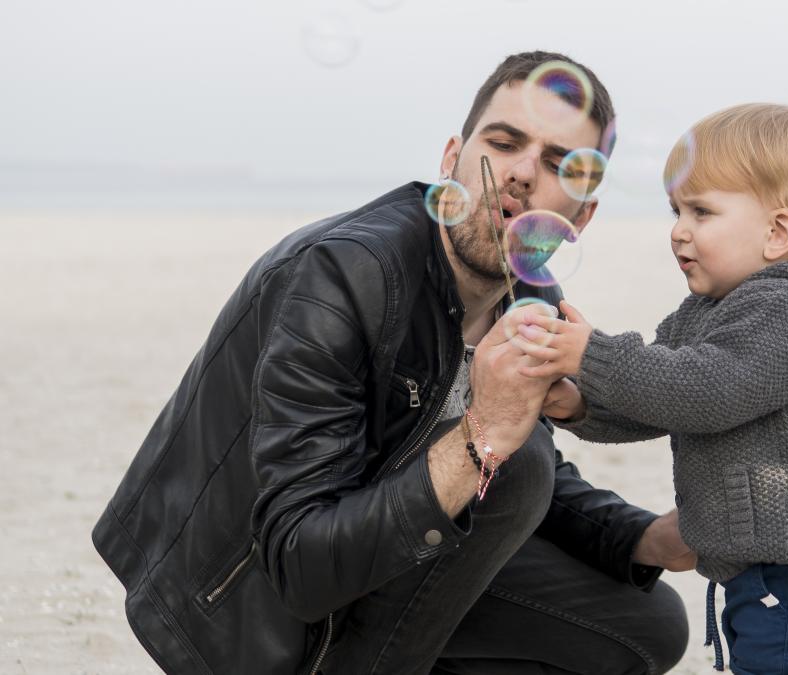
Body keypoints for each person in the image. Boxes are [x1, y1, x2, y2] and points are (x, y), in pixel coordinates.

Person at [92, 51, 690, 675]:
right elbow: (298, 563)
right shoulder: (345, 276)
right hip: (244, 598)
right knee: (512, 466)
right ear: (450, 160)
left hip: (382, 550)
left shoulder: (530, 294)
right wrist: (481, 438)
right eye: (504, 142)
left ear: (581, 216)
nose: (519, 174)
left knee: (647, 626)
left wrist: (642, 539)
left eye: (557, 165)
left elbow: (524, 460)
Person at [510, 103, 788, 674]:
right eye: (675, 210)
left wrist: (589, 353)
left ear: (778, 231)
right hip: (762, 569)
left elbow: (706, 390)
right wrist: (581, 404)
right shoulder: (709, 312)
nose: (678, 230)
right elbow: (661, 397)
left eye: (702, 211)